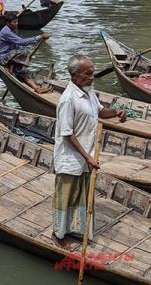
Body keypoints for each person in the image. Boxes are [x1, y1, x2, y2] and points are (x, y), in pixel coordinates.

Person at [52, 55, 126, 248]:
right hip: (71, 157)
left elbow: (100, 111)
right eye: (88, 74)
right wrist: (88, 157)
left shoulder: (89, 92)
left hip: (86, 156)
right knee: (66, 196)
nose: (92, 77)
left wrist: (116, 112)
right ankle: (58, 235)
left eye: (92, 73)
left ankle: (76, 230)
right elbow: (67, 134)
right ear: (75, 76)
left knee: (81, 196)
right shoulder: (68, 99)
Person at [0, 15, 51, 94]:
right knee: (22, 53)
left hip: (10, 55)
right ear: (8, 23)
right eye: (14, 22)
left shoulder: (13, 29)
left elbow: (18, 45)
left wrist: (25, 57)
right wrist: (40, 36)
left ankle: (37, 89)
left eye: (17, 21)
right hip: (1, 57)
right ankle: (8, 66)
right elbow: (21, 42)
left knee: (22, 71)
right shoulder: (6, 32)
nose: (17, 24)